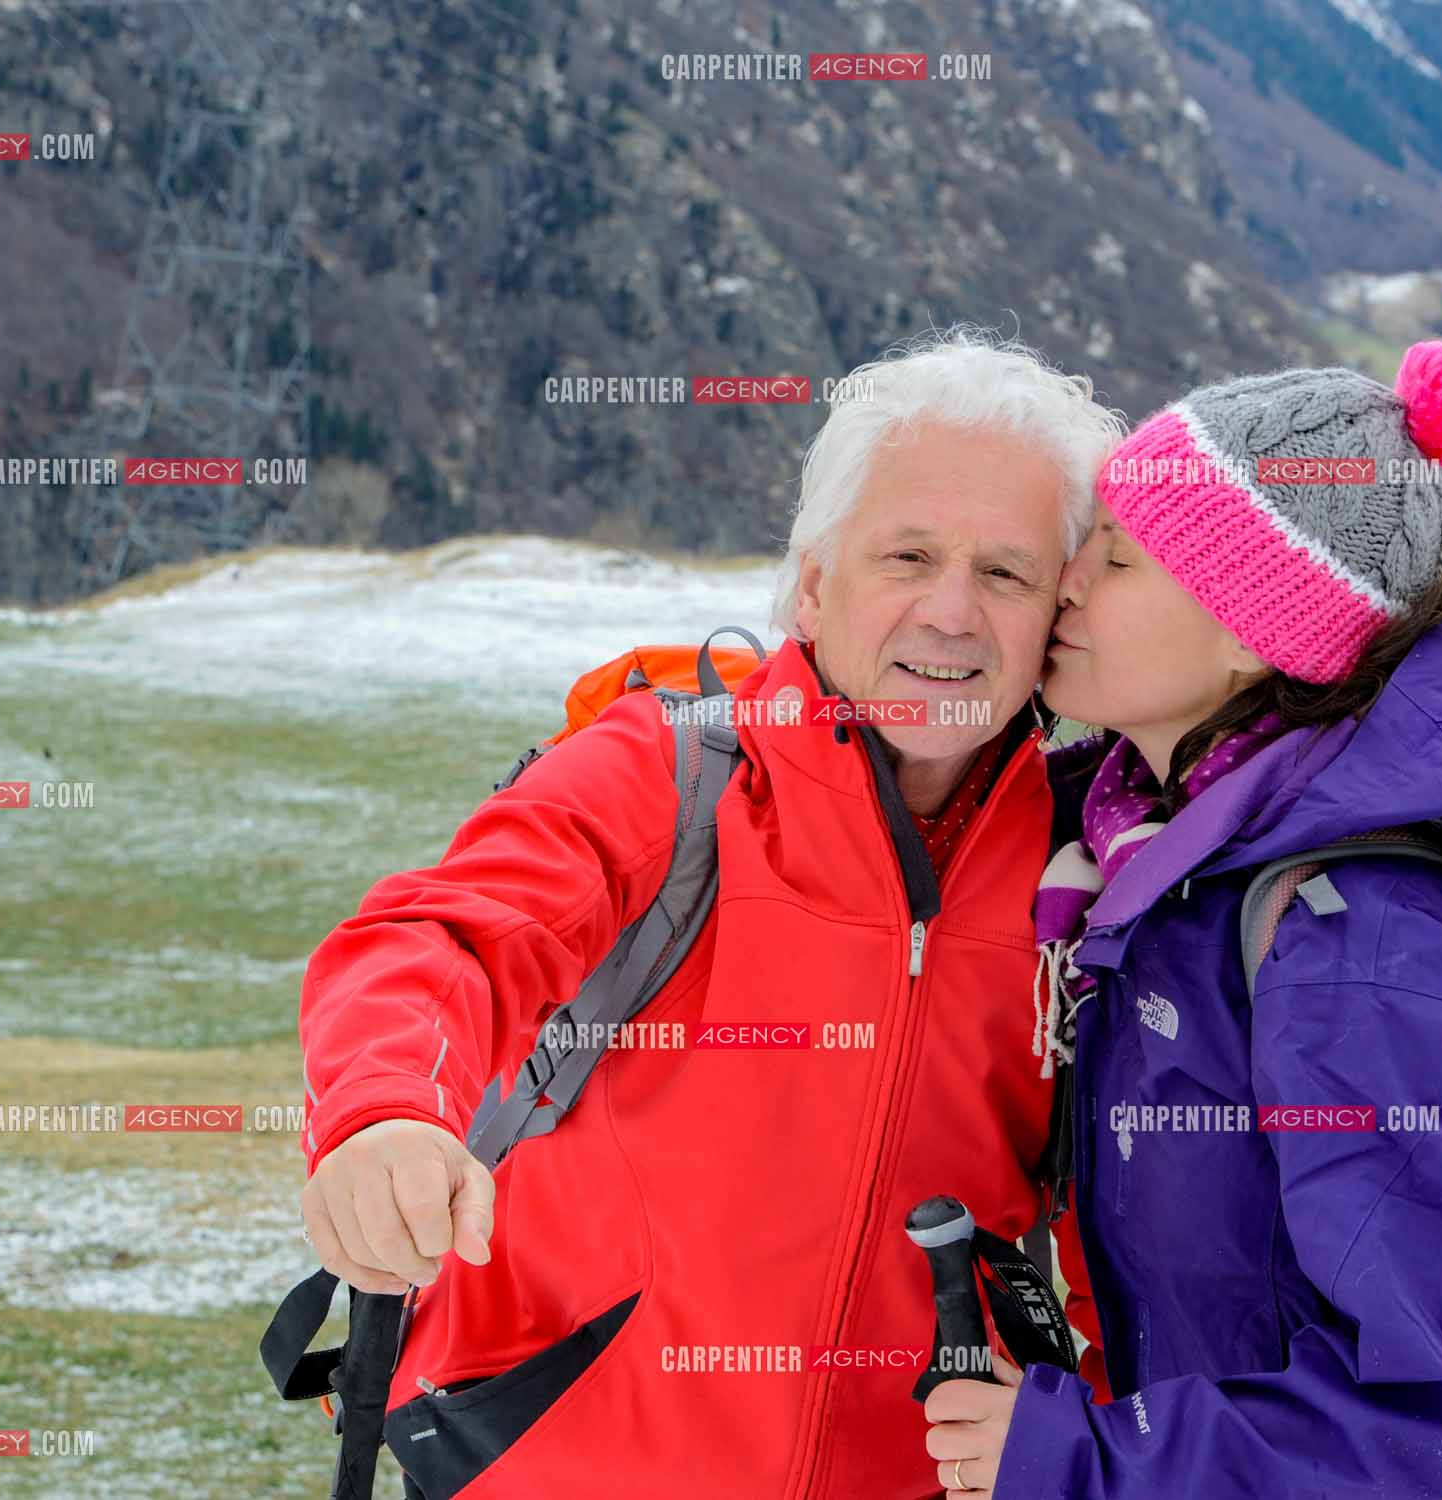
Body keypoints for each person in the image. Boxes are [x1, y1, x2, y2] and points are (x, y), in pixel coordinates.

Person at [296, 325, 1123, 1499]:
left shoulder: (1084, 869)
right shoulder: (669, 777)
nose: (951, 613)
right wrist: (382, 1115)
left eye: (1004, 573)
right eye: (907, 556)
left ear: (1056, 617)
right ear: (815, 582)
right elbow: (437, 940)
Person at [922, 341, 1442, 1497]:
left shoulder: (1356, 956)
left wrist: (1084, 1460)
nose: (1071, 583)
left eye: (1122, 559)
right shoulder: (1154, 856)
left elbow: (1432, 1408)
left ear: (1254, 633)